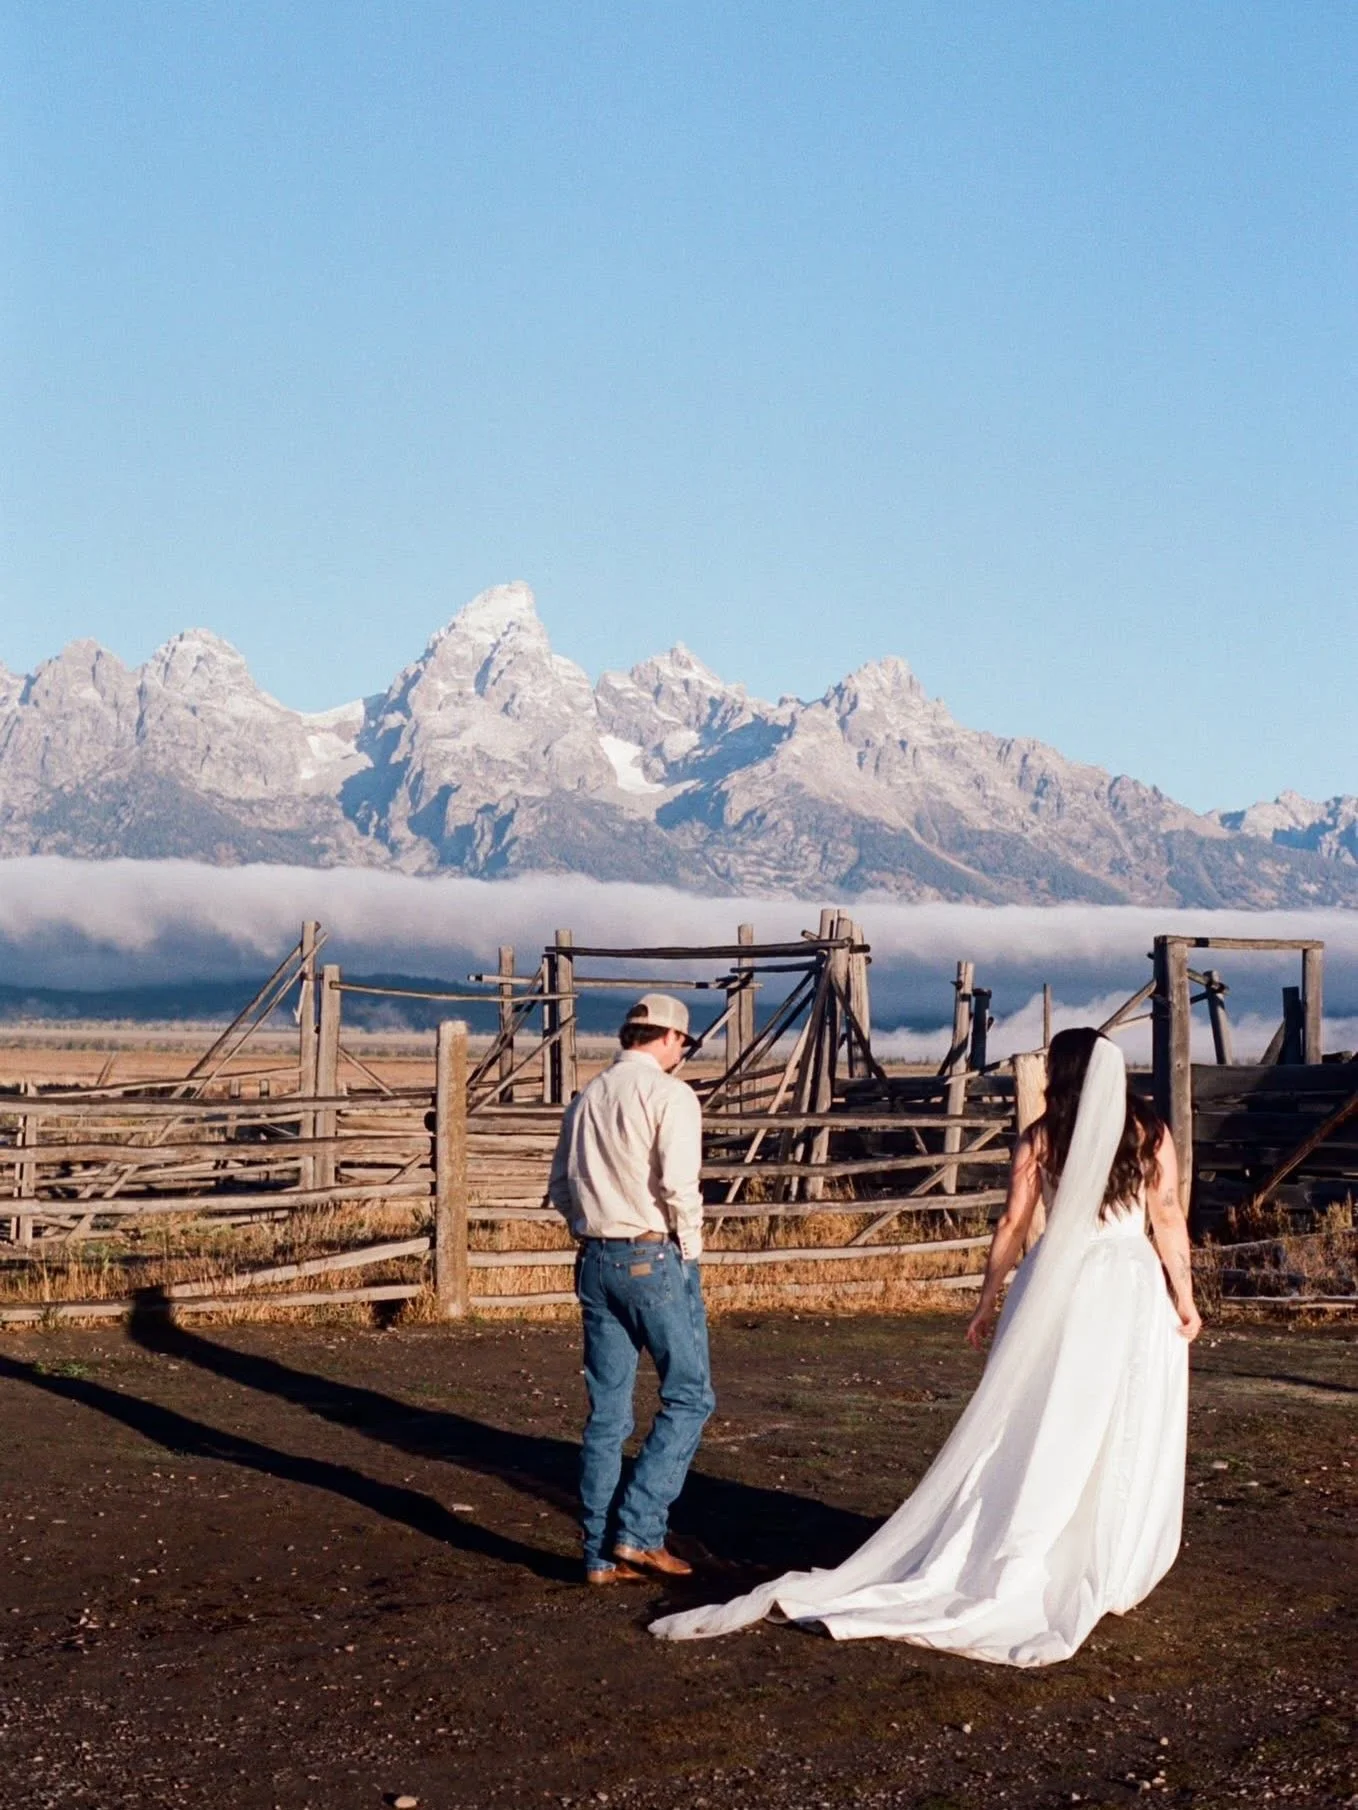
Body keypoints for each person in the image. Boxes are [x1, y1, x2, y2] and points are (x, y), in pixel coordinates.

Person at [652, 1028, 1201, 1664]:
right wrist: (1183, 1297)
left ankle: (1028, 1538)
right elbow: (1167, 1215)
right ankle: (1102, 1552)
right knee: (1114, 1419)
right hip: (1126, 1286)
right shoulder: (1148, 1133)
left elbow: (1013, 1223)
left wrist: (989, 1298)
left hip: (1060, 1284)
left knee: (1042, 1418)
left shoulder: (1043, 1136)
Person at [548, 993, 716, 1587]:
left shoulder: (587, 1097)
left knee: (608, 1414)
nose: (683, 1054)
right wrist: (689, 1253)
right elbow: (678, 1183)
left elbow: (561, 1188)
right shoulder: (670, 1095)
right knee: (690, 1395)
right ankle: (639, 1532)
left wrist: (589, 1228)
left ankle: (597, 1553)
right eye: (685, 1044)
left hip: (595, 1257)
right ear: (669, 1038)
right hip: (651, 1253)